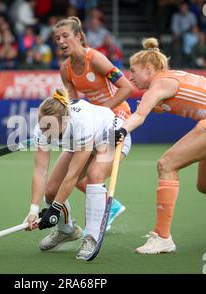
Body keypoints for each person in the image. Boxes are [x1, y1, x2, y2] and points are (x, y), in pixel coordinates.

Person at [115, 38, 206, 254]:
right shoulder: (171, 78)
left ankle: (162, 237)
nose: (130, 77)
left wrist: (120, 131)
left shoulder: (159, 83)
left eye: (133, 71)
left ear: (149, 68)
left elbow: (139, 115)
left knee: (166, 164)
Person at [24, 89, 131, 260]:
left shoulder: (81, 124)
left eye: (48, 127)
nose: (43, 130)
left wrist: (54, 209)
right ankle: (66, 230)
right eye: (40, 123)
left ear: (64, 122)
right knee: (51, 191)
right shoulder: (42, 129)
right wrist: (33, 210)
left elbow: (72, 176)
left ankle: (92, 238)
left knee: (95, 174)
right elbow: (40, 171)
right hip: (81, 142)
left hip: (110, 135)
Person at [54, 16, 134, 231]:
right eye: (57, 38)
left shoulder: (96, 59)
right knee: (71, 175)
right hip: (94, 122)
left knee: (92, 174)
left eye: (65, 36)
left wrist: (101, 110)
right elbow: (72, 104)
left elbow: (127, 87)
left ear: (78, 37)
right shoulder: (65, 69)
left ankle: (97, 222)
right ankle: (110, 205)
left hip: (117, 118)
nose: (60, 41)